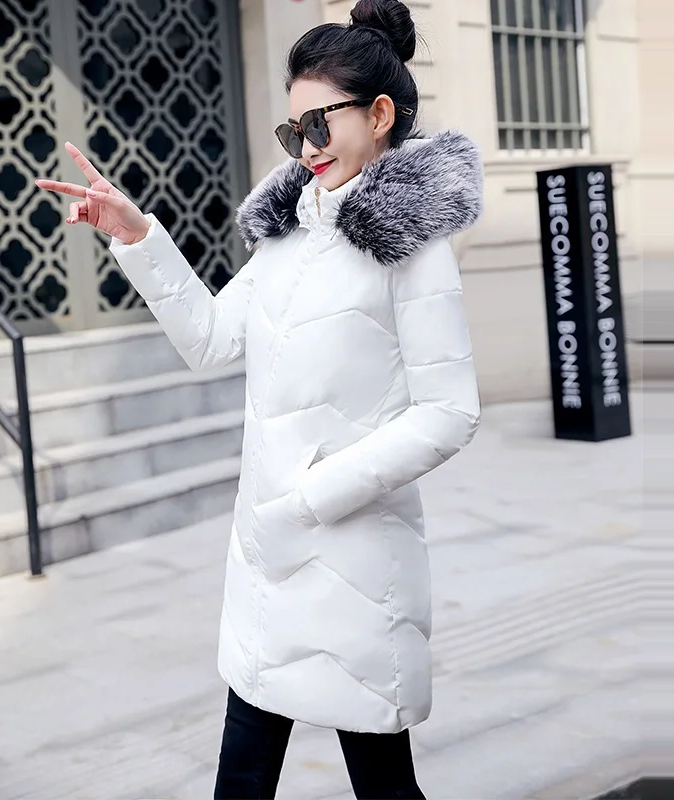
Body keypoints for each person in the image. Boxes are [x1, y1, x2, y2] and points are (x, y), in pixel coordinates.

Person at [37, 1, 483, 796]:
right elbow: (210, 338)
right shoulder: (291, 236)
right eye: (292, 131)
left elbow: (449, 413)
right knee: (240, 775)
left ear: (380, 115)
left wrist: (311, 496)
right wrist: (139, 237)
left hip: (352, 565)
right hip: (267, 564)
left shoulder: (413, 247)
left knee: (382, 783)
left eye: (320, 124)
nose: (306, 148)